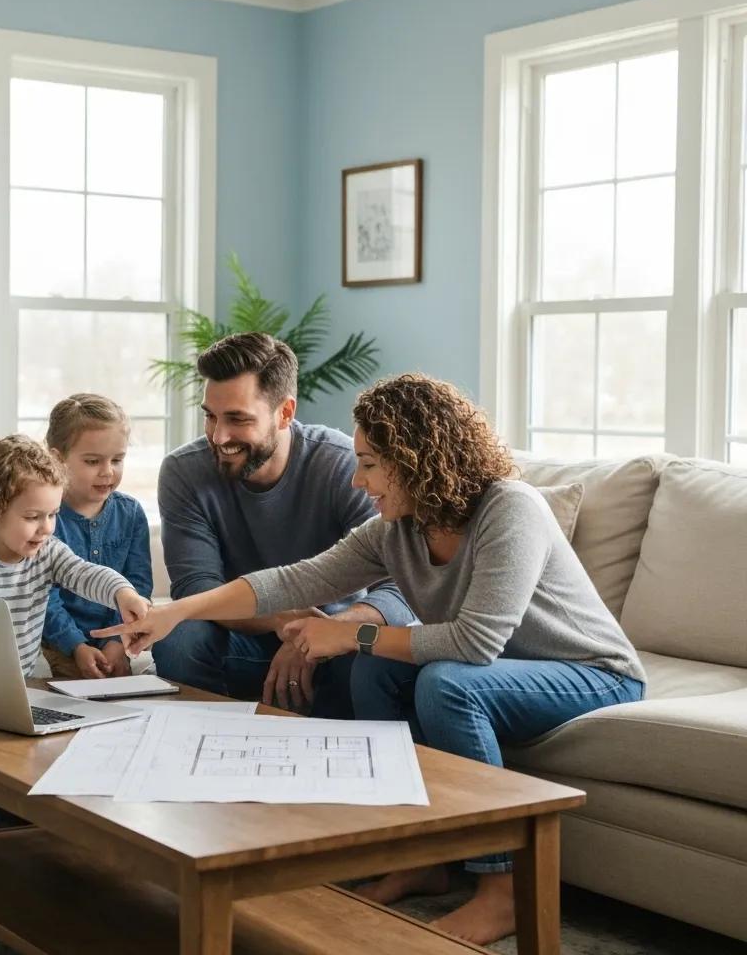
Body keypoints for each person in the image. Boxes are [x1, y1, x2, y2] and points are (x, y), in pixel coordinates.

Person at [94, 373, 646, 946]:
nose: (358, 480)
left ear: (416, 459)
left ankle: (504, 891)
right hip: (499, 671)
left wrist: (348, 635)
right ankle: (418, 855)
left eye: (370, 464)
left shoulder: (510, 508)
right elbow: (292, 581)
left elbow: (476, 643)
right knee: (380, 669)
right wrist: (175, 612)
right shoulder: (397, 529)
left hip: (592, 674)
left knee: (446, 683)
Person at [0, 434, 148, 901]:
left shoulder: (48, 555)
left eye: (52, 515)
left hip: (13, 689)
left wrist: (123, 593)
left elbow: (86, 574)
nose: (45, 529)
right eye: (33, 516)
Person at [152, 331, 412, 717]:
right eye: (210, 416)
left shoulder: (345, 467)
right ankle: (200, 739)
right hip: (240, 636)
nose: (218, 436)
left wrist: (328, 632)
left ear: (285, 413)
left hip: (334, 639)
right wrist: (285, 620)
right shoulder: (183, 472)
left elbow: (400, 587)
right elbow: (197, 588)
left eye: (237, 419)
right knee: (179, 637)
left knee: (374, 656)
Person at [41, 394, 152, 680]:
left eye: (117, 459)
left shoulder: (130, 513)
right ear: (57, 459)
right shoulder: (43, 518)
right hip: (58, 643)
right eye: (92, 461)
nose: (107, 472)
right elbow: (43, 597)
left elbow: (138, 584)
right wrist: (76, 646)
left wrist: (116, 642)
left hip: (118, 640)